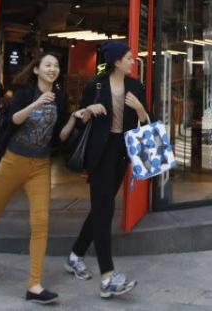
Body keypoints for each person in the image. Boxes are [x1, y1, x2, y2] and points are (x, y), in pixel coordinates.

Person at [0, 53, 68, 304]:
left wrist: (76, 118)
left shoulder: (61, 98)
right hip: (13, 161)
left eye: (56, 65)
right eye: (48, 65)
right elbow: (13, 119)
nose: (53, 69)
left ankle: (34, 285)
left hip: (41, 165)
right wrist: (37, 103)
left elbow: (59, 136)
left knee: (41, 222)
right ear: (37, 70)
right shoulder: (24, 93)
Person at [65, 40, 148, 299]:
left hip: (121, 153)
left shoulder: (136, 86)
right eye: (128, 58)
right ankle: (108, 277)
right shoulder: (96, 85)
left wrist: (140, 109)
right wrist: (88, 110)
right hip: (99, 154)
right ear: (116, 61)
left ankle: (75, 255)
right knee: (104, 211)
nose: (133, 61)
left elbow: (147, 122)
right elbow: (81, 117)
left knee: (103, 207)